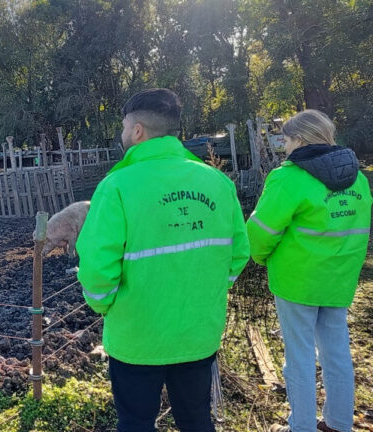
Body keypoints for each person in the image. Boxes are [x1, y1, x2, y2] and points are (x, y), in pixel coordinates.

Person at [76, 88, 249, 432]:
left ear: (137, 130)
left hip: (137, 337)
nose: (122, 134)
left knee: (136, 423)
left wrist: (104, 305)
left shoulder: (117, 186)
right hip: (198, 332)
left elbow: (97, 268)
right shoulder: (216, 182)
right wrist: (207, 291)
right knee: (196, 419)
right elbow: (238, 253)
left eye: (125, 127)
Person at [246, 109, 372, 432]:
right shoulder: (358, 179)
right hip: (338, 280)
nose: (283, 146)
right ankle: (339, 423)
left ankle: (301, 426)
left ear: (300, 140)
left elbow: (259, 232)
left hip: (296, 282)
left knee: (299, 358)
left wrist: (262, 258)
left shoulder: (288, 177)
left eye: (285, 139)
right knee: (337, 354)